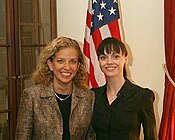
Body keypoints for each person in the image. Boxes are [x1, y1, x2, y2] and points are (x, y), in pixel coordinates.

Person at [15, 37, 95, 140]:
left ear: (78, 66)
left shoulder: (88, 97)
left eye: (72, 62)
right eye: (60, 61)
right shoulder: (32, 96)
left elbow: (91, 137)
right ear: (50, 64)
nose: (67, 67)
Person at [91, 37, 157, 140]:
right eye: (103, 57)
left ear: (126, 59)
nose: (109, 62)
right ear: (99, 61)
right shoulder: (93, 96)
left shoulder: (142, 96)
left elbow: (151, 137)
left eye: (115, 57)